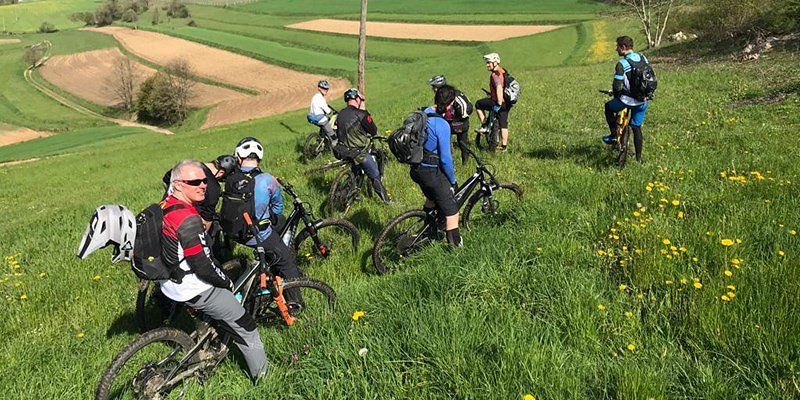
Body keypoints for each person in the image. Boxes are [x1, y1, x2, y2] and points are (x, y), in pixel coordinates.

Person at [160, 159, 268, 382]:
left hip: (169, 283)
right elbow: (203, 266)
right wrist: (226, 283)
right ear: (178, 184)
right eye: (194, 182)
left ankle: (204, 342)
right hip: (192, 287)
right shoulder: (188, 220)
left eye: (204, 180)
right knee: (247, 327)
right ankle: (264, 378)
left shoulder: (165, 205)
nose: (203, 185)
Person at [232, 137, 303, 303]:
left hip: (234, 230)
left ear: (238, 157)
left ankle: (273, 259)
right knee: (288, 263)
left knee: (277, 232)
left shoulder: (232, 178)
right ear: (259, 158)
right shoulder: (267, 179)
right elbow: (278, 209)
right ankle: (296, 304)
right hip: (256, 234)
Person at [410, 85, 462, 247]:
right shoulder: (442, 125)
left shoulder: (424, 113)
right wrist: (452, 181)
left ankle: (428, 230)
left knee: (432, 199)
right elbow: (445, 159)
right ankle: (456, 249)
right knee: (452, 210)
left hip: (416, 168)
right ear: (450, 104)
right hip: (430, 172)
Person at [162, 154, 238, 261]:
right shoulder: (213, 189)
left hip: (165, 213)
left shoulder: (188, 168)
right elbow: (206, 222)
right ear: (221, 173)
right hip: (184, 224)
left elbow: (165, 180)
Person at [335, 88, 391, 203]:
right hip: (358, 153)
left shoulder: (340, 114)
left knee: (355, 170)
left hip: (342, 151)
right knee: (375, 176)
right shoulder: (361, 114)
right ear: (357, 99)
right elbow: (373, 131)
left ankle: (351, 188)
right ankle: (387, 201)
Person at [602, 36, 650, 163]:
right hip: (643, 100)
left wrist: (616, 94)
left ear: (623, 47)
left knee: (608, 107)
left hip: (627, 100)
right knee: (637, 128)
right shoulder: (643, 58)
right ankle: (639, 159)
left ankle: (613, 135)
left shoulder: (622, 64)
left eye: (617, 47)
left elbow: (617, 87)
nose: (616, 49)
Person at [428, 75, 473, 165]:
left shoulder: (450, 95)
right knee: (462, 143)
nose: (433, 89)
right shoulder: (445, 94)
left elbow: (466, 108)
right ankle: (463, 163)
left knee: (445, 140)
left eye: (434, 87)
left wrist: (458, 117)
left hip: (459, 122)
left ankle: (451, 162)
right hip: (457, 122)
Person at [475, 52, 512, 153]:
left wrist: (498, 102)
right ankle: (503, 146)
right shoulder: (503, 71)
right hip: (507, 103)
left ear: (495, 62)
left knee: (478, 104)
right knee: (503, 124)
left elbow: (499, 87)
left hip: (499, 102)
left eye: (489, 62)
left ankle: (484, 126)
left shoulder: (495, 74)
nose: (487, 65)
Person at [307, 79, 337, 144]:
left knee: (323, 127)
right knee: (333, 136)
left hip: (312, 117)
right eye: (324, 89)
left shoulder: (315, 97)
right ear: (319, 88)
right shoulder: (321, 98)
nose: (325, 90)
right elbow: (328, 111)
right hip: (320, 119)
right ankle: (336, 147)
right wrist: (330, 111)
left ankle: (321, 139)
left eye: (326, 89)